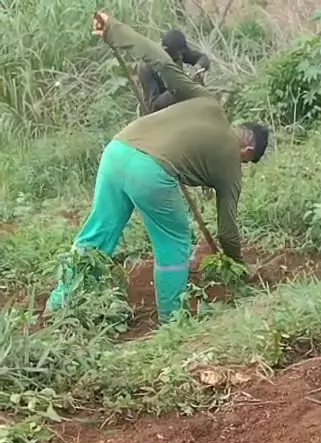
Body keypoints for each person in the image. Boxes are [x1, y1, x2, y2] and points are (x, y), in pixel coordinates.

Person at [46, 11, 269, 322]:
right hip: (149, 171)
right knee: (174, 242)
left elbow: (161, 61)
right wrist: (237, 264)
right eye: (247, 161)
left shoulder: (207, 102)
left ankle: (60, 304)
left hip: (118, 150)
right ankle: (172, 322)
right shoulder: (231, 164)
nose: (242, 164)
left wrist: (114, 30)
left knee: (98, 233)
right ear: (247, 150)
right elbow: (228, 231)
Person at [137, 29, 210, 115]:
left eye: (181, 54)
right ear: (166, 50)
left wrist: (198, 68)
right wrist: (178, 88)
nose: (179, 56)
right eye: (176, 56)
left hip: (184, 101)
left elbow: (202, 58)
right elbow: (153, 106)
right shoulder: (146, 67)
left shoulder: (177, 49)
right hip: (165, 113)